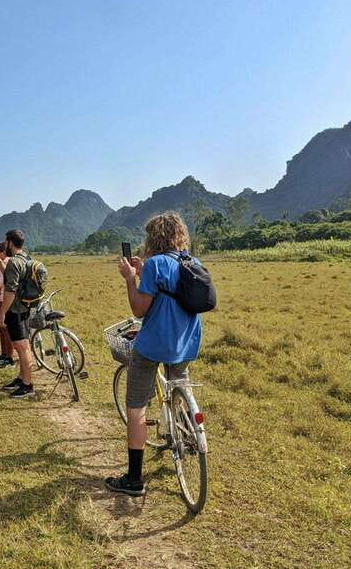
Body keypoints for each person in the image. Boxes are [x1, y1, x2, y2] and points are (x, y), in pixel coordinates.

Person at [105, 212, 202, 496]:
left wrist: (130, 278)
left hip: (153, 344)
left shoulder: (155, 265)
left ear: (152, 238)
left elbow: (138, 309)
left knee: (136, 407)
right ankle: (188, 429)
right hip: (186, 342)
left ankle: (134, 479)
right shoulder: (192, 262)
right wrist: (144, 269)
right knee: (179, 382)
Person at [0, 229, 36, 398]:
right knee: (23, 346)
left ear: (10, 242)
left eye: (6, 242)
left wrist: (2, 313)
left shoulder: (14, 262)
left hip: (16, 310)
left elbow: (10, 290)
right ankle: (21, 378)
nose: (5, 245)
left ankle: (28, 386)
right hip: (26, 308)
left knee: (22, 348)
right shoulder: (27, 259)